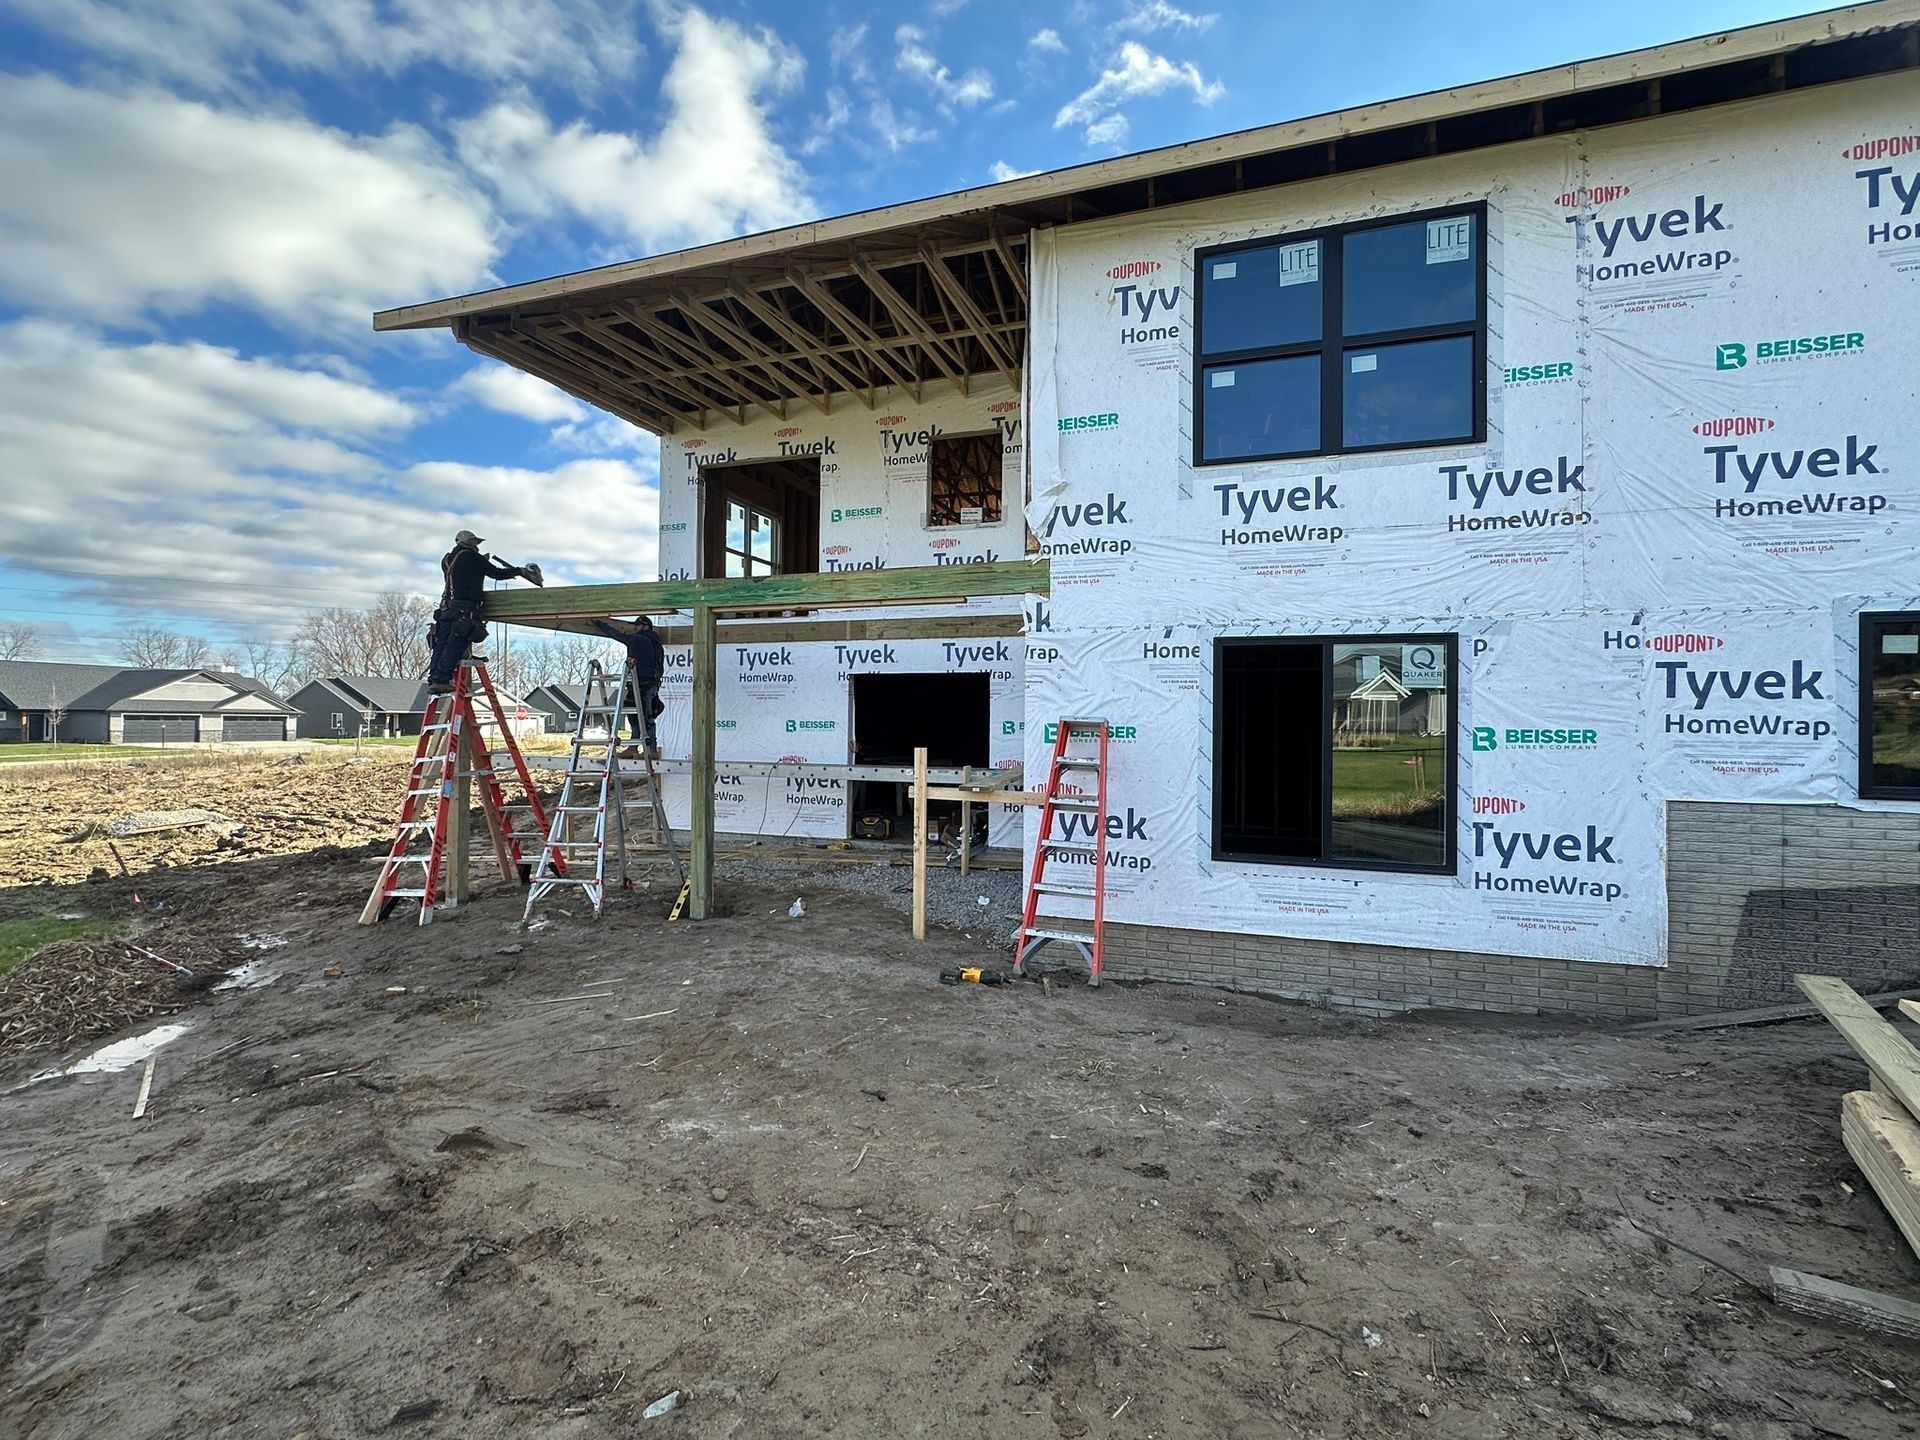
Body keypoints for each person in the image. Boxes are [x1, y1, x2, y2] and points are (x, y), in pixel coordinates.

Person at [427, 529, 521, 693]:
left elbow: (462, 574)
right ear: (469, 542)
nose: (477, 546)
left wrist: (480, 563)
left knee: (441, 644)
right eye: (475, 542)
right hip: (463, 609)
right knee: (455, 644)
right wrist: (519, 571)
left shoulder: (447, 559)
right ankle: (441, 680)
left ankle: (435, 678)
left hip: (446, 609)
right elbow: (496, 573)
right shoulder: (471, 557)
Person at [591, 614, 665, 760]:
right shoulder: (657, 643)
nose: (635, 628)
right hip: (652, 683)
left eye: (637, 625)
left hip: (640, 684)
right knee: (645, 715)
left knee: (639, 716)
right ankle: (640, 748)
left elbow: (618, 635)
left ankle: (647, 750)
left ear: (644, 626)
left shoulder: (640, 639)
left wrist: (599, 624)